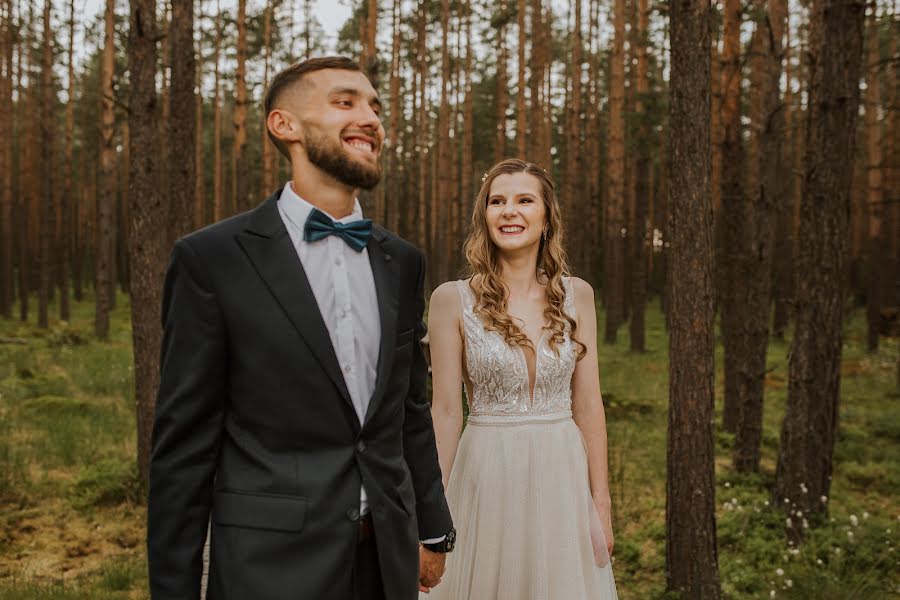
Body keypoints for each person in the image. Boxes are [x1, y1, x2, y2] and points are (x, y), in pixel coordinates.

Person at [147, 56, 454, 600]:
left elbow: (409, 410)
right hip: (269, 565)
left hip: (385, 559)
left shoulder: (403, 261)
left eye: (375, 107)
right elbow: (185, 447)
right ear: (284, 125)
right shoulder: (212, 259)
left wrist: (432, 528)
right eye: (345, 102)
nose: (371, 118)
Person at [423, 159, 618, 599]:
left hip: (561, 478)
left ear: (547, 217)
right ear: (485, 216)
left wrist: (600, 503)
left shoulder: (578, 295)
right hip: (485, 477)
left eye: (524, 200)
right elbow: (447, 412)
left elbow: (588, 405)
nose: (509, 210)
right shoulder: (450, 301)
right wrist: (430, 510)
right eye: (497, 201)